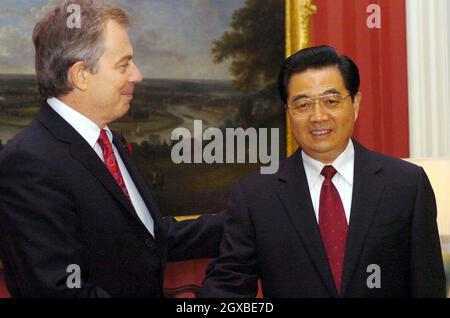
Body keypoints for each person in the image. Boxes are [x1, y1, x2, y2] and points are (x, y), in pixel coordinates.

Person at [0, 0, 224, 298]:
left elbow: (148, 237)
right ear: (80, 74)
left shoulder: (108, 141)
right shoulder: (29, 162)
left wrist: (254, 216)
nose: (137, 75)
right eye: (124, 64)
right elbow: (59, 291)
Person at [199, 45, 446, 298]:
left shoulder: (406, 185)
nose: (318, 117)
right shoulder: (256, 195)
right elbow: (228, 285)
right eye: (303, 104)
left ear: (356, 104)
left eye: (331, 101)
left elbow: (428, 285)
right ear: (289, 113)